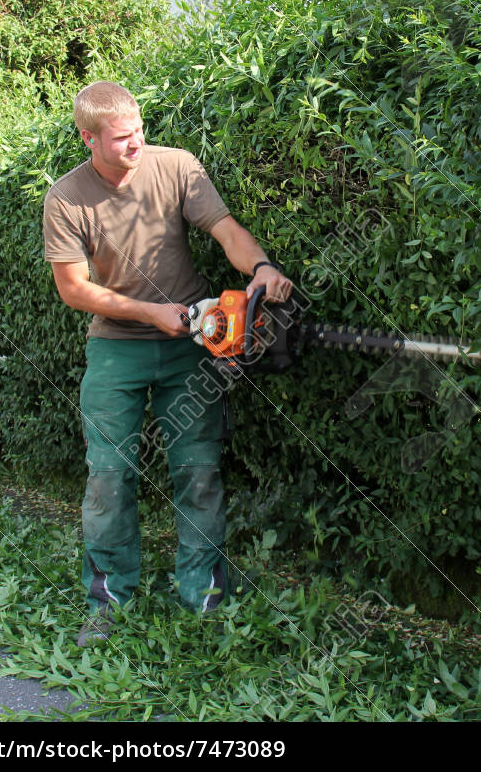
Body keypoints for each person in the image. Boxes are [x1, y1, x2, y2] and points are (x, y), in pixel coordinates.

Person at [42, 81, 293, 646]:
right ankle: (109, 600)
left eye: (139, 132)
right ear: (89, 139)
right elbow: (74, 290)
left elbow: (225, 231)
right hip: (115, 349)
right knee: (109, 477)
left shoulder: (177, 166)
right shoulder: (66, 198)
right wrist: (150, 313)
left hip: (190, 347)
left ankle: (203, 593)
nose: (137, 144)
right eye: (123, 139)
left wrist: (259, 269)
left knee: (199, 471)